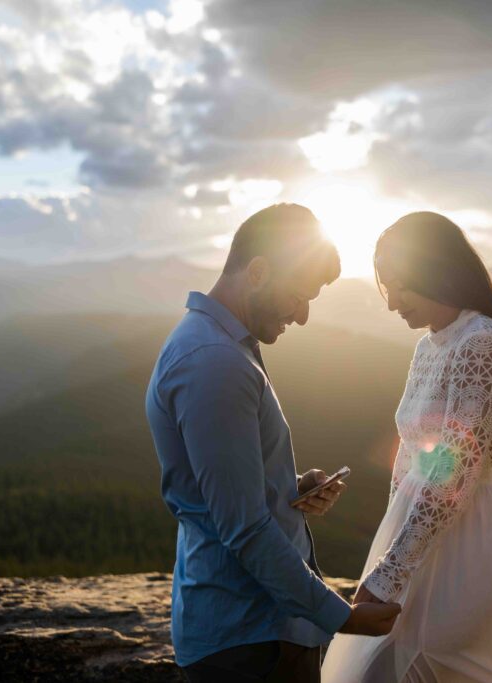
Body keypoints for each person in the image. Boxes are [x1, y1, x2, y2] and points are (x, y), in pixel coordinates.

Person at [321, 212, 492, 682]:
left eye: (398, 286)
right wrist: (394, 535)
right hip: (420, 527)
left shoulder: (482, 344)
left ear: (433, 270)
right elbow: (412, 453)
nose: (392, 305)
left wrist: (393, 571)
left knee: (426, 664)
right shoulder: (431, 344)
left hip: (472, 535)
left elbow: (452, 470)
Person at [145, 203, 401, 683]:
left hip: (250, 630)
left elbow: (221, 494)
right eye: (298, 296)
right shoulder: (215, 363)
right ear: (259, 271)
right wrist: (342, 617)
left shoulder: (220, 348)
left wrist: (288, 487)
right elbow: (242, 527)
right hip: (250, 639)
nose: (302, 317)